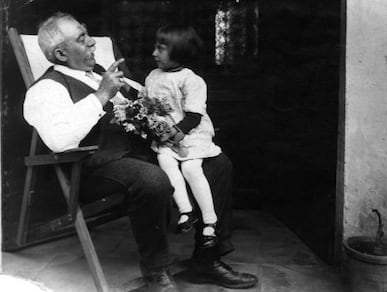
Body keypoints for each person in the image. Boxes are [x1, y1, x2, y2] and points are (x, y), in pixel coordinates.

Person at [23, 12, 257, 292]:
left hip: (133, 154)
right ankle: (156, 271)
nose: (92, 44)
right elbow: (60, 141)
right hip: (92, 167)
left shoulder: (100, 73)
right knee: (153, 178)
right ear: (61, 53)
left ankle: (208, 258)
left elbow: (144, 106)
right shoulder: (46, 90)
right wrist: (102, 94)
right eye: (83, 39)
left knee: (217, 164)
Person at [144, 25, 221, 248]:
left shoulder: (191, 80)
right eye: (155, 48)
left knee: (190, 168)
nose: (154, 54)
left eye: (161, 49)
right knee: (164, 159)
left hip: (191, 134)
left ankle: (209, 221)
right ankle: (185, 209)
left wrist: (176, 133)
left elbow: (194, 116)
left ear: (179, 52)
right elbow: (148, 106)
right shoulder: (152, 76)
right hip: (166, 135)